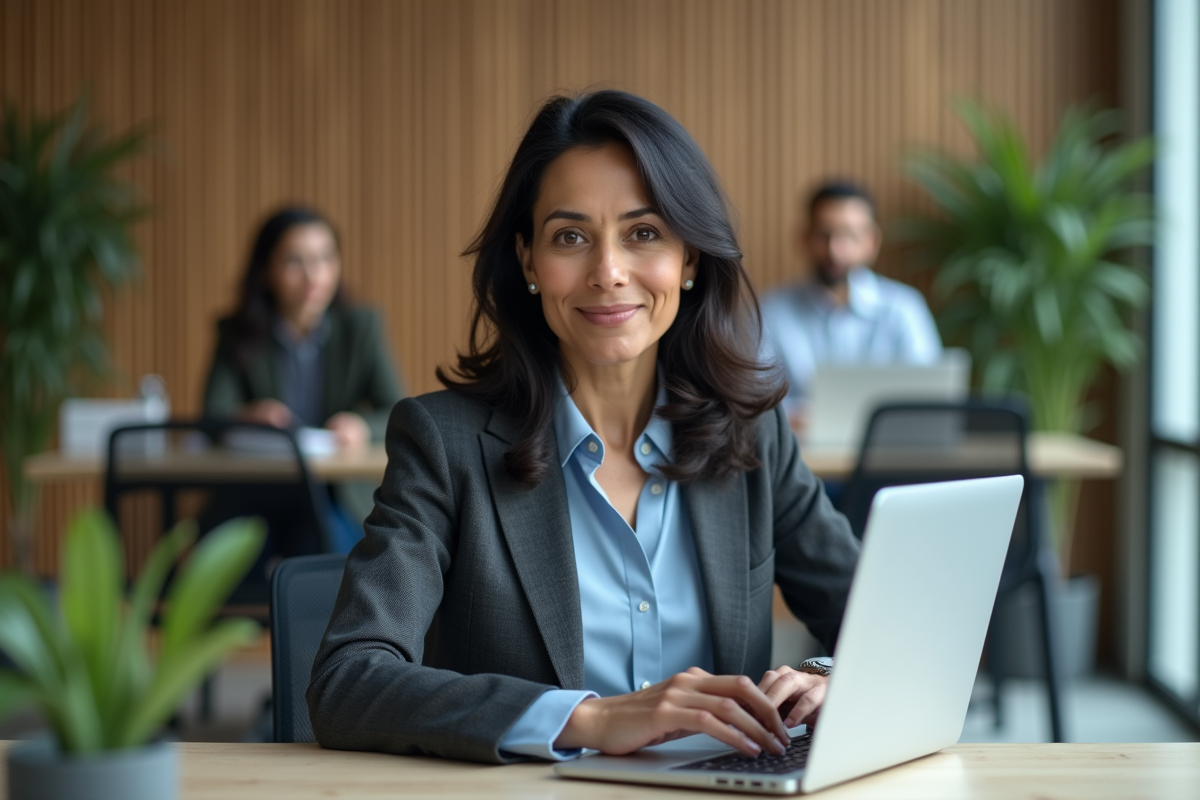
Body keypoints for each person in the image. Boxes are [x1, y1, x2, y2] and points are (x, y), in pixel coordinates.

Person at [308, 91, 860, 764]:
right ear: (529, 261)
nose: (608, 272)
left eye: (644, 232)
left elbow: (886, 624)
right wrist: (588, 719)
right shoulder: (443, 444)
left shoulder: (753, 436)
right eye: (571, 237)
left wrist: (827, 677)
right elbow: (348, 681)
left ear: (688, 259)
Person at [202, 206, 405, 554]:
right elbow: (212, 415)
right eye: (295, 262)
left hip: (333, 490)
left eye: (325, 259)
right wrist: (249, 417)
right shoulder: (237, 332)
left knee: (335, 560)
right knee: (224, 565)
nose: (314, 276)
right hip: (255, 489)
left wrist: (361, 426)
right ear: (266, 271)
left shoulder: (360, 328)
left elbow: (399, 412)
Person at [761, 181, 942, 427]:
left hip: (890, 455)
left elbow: (928, 395)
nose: (836, 250)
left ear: (871, 242)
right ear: (804, 238)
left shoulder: (904, 308)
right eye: (824, 236)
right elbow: (755, 398)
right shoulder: (771, 311)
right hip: (802, 457)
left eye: (850, 236)